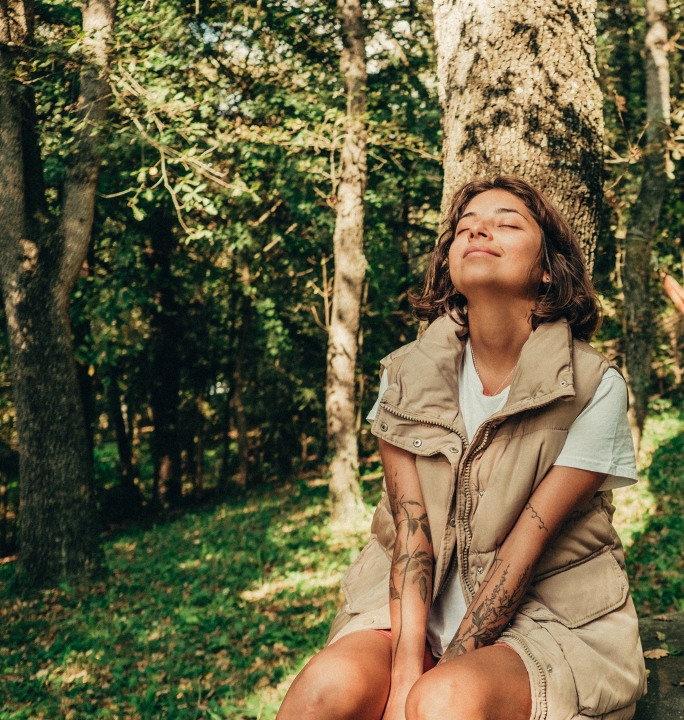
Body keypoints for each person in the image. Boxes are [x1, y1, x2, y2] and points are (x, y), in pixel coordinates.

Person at [277, 176, 647, 720]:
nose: (480, 230)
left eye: (507, 222)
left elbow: (525, 549)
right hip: (406, 616)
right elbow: (411, 531)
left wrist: (442, 672)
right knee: (321, 691)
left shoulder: (594, 386)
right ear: (449, 263)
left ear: (548, 267)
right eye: (466, 226)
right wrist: (406, 672)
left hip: (547, 622)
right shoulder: (403, 376)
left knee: (443, 701)